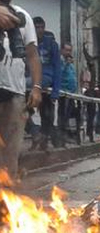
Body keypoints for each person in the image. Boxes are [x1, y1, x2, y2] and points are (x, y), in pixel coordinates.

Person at [0, 1, 40, 181]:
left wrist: (37, 88)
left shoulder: (23, 16)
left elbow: (32, 54)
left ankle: (6, 201)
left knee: (11, 150)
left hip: (15, 92)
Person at [30, 16, 59, 151]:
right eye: (37, 27)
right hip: (30, 81)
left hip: (46, 80)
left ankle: (44, 141)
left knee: (47, 115)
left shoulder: (52, 44)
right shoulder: (29, 43)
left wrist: (56, 90)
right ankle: (36, 134)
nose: (39, 30)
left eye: (42, 27)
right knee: (23, 110)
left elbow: (57, 67)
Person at [58, 42, 76, 142]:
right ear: (62, 50)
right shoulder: (61, 61)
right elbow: (59, 73)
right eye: (67, 50)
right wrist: (66, 64)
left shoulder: (71, 64)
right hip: (63, 92)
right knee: (63, 115)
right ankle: (61, 135)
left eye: (70, 50)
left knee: (69, 115)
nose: (68, 52)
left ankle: (68, 134)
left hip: (71, 93)